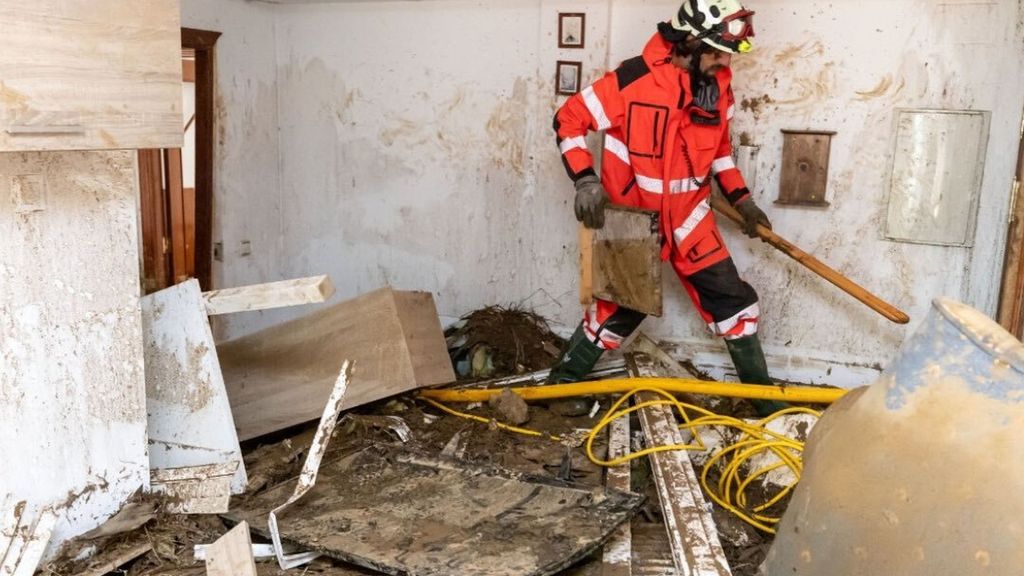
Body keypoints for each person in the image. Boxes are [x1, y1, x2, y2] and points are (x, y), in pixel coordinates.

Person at [549, 0, 785, 415]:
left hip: (692, 220)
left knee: (735, 304)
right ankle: (559, 387)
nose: (723, 61)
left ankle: (766, 407)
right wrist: (585, 179)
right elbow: (568, 121)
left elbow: (720, 154)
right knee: (617, 309)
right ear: (689, 43)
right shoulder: (631, 80)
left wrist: (743, 201)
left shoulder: (718, 84)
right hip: (636, 220)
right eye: (715, 51)